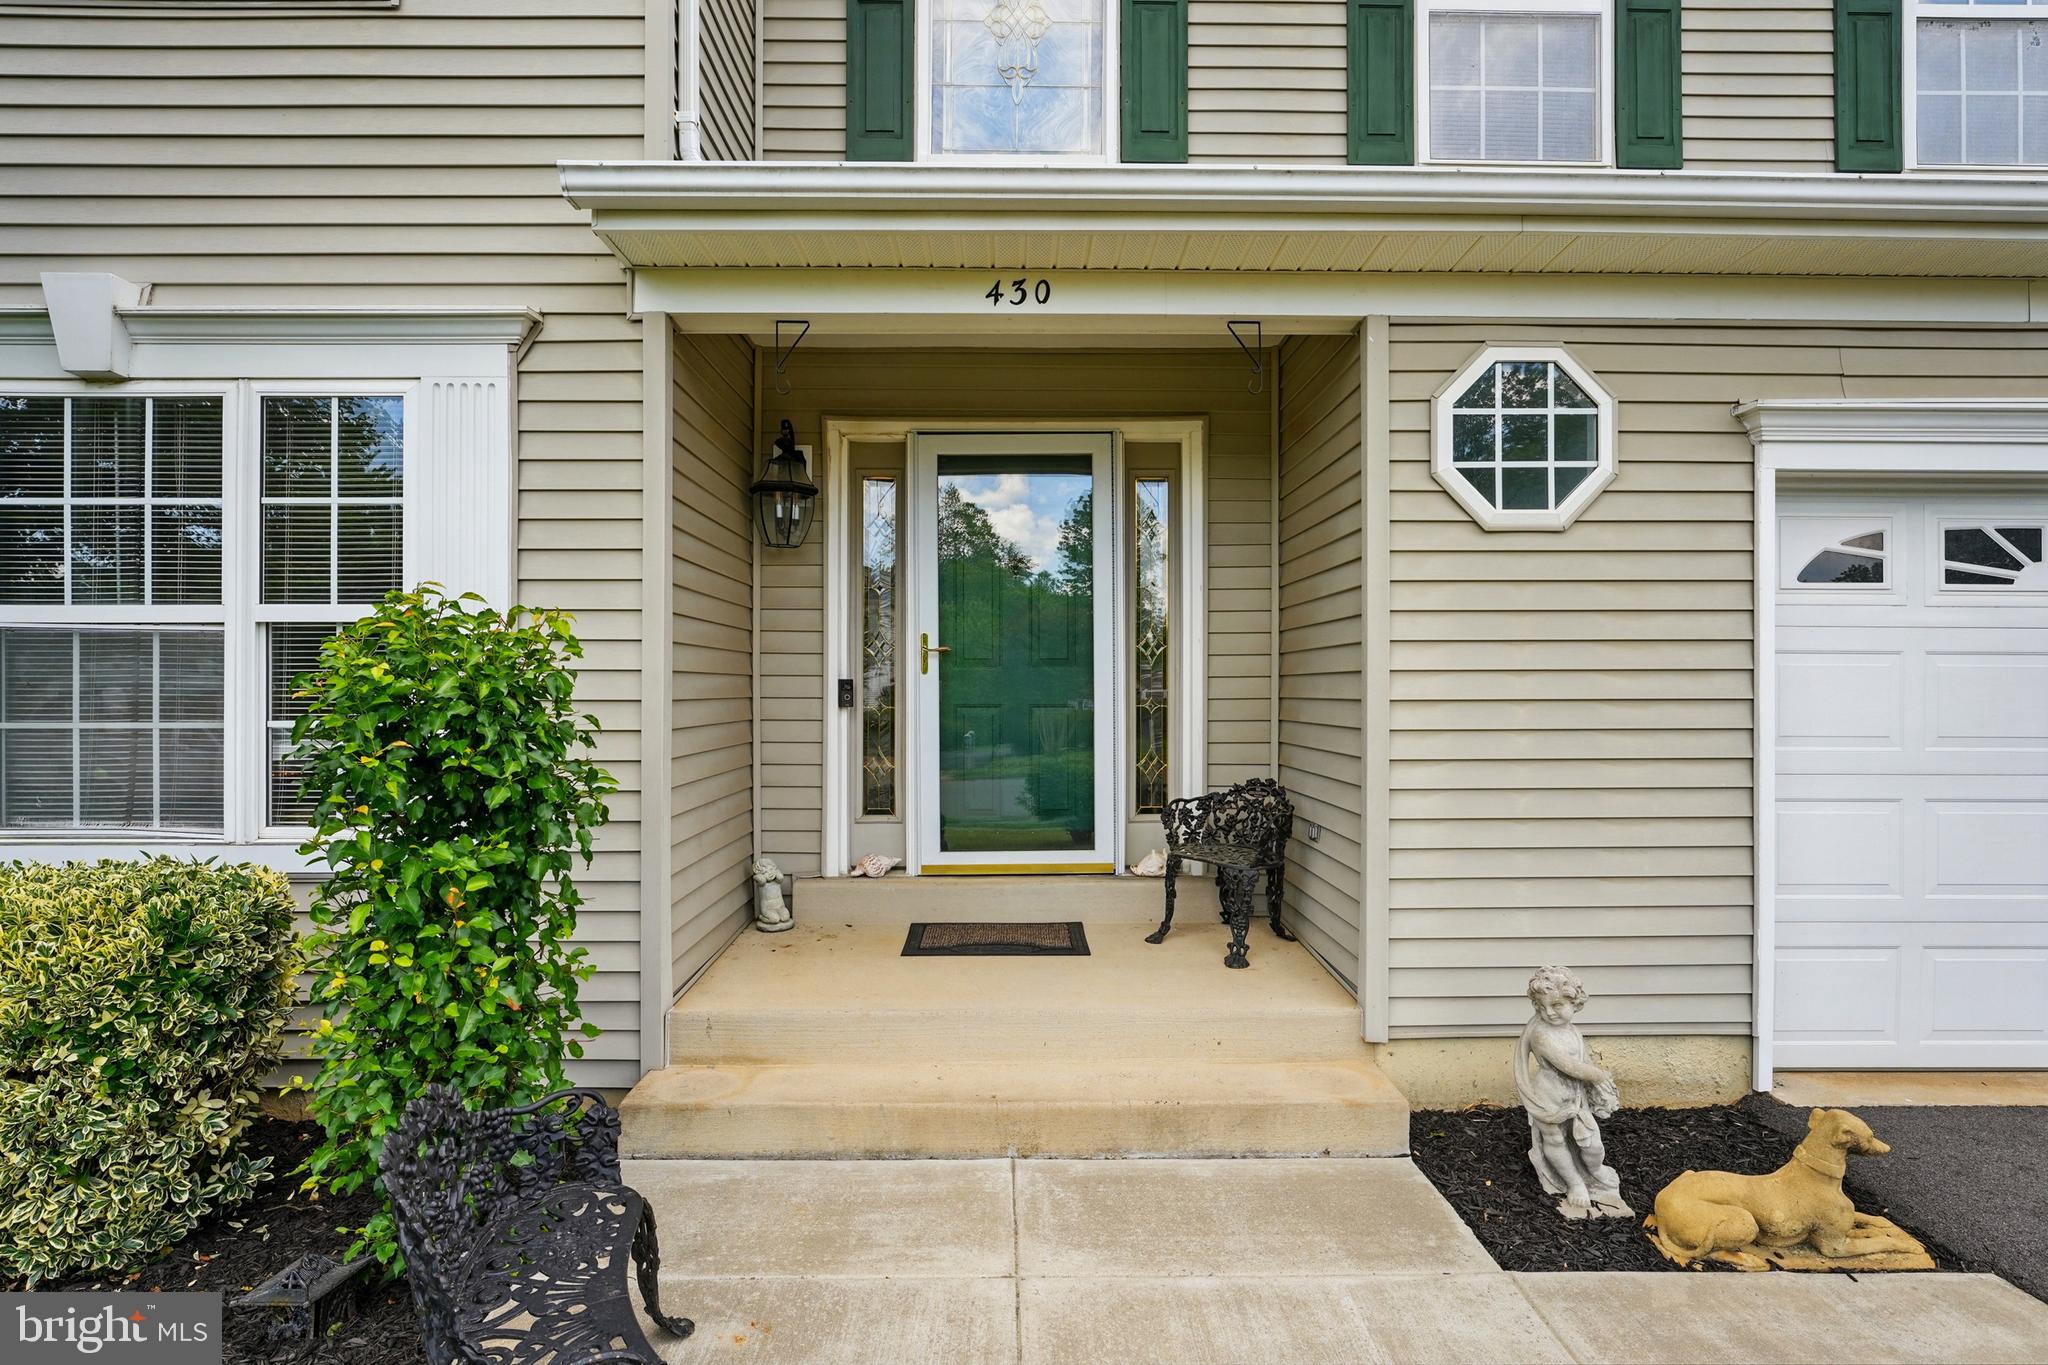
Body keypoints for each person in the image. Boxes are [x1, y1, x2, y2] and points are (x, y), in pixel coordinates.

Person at [1515, 965, 1631, 1219]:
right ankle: (1575, 1182)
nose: (1549, 1012)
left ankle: (1596, 1169)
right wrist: (1598, 1076)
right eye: (1541, 1007)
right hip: (1548, 1097)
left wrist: (1594, 1086)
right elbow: (1569, 1066)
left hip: (1576, 1097)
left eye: (1556, 1005)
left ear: (1575, 1003)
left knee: (1592, 1142)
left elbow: (1583, 1061)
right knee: (1554, 1140)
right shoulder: (1541, 1035)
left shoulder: (1573, 1032)